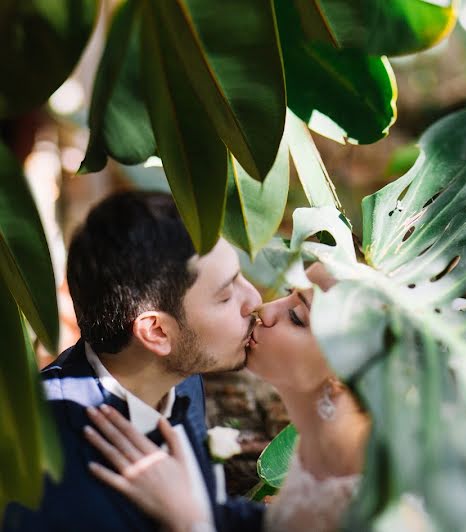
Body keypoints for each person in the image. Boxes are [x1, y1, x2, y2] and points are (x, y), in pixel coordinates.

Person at [2, 191, 266, 532]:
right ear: (156, 331)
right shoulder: (47, 477)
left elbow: (209, 510)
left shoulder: (180, 376)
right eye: (226, 296)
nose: (256, 300)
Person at [81, 266, 376, 532]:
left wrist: (187, 518)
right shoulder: (319, 449)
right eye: (288, 294)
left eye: (297, 317)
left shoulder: (373, 502)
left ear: (343, 375)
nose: (264, 309)